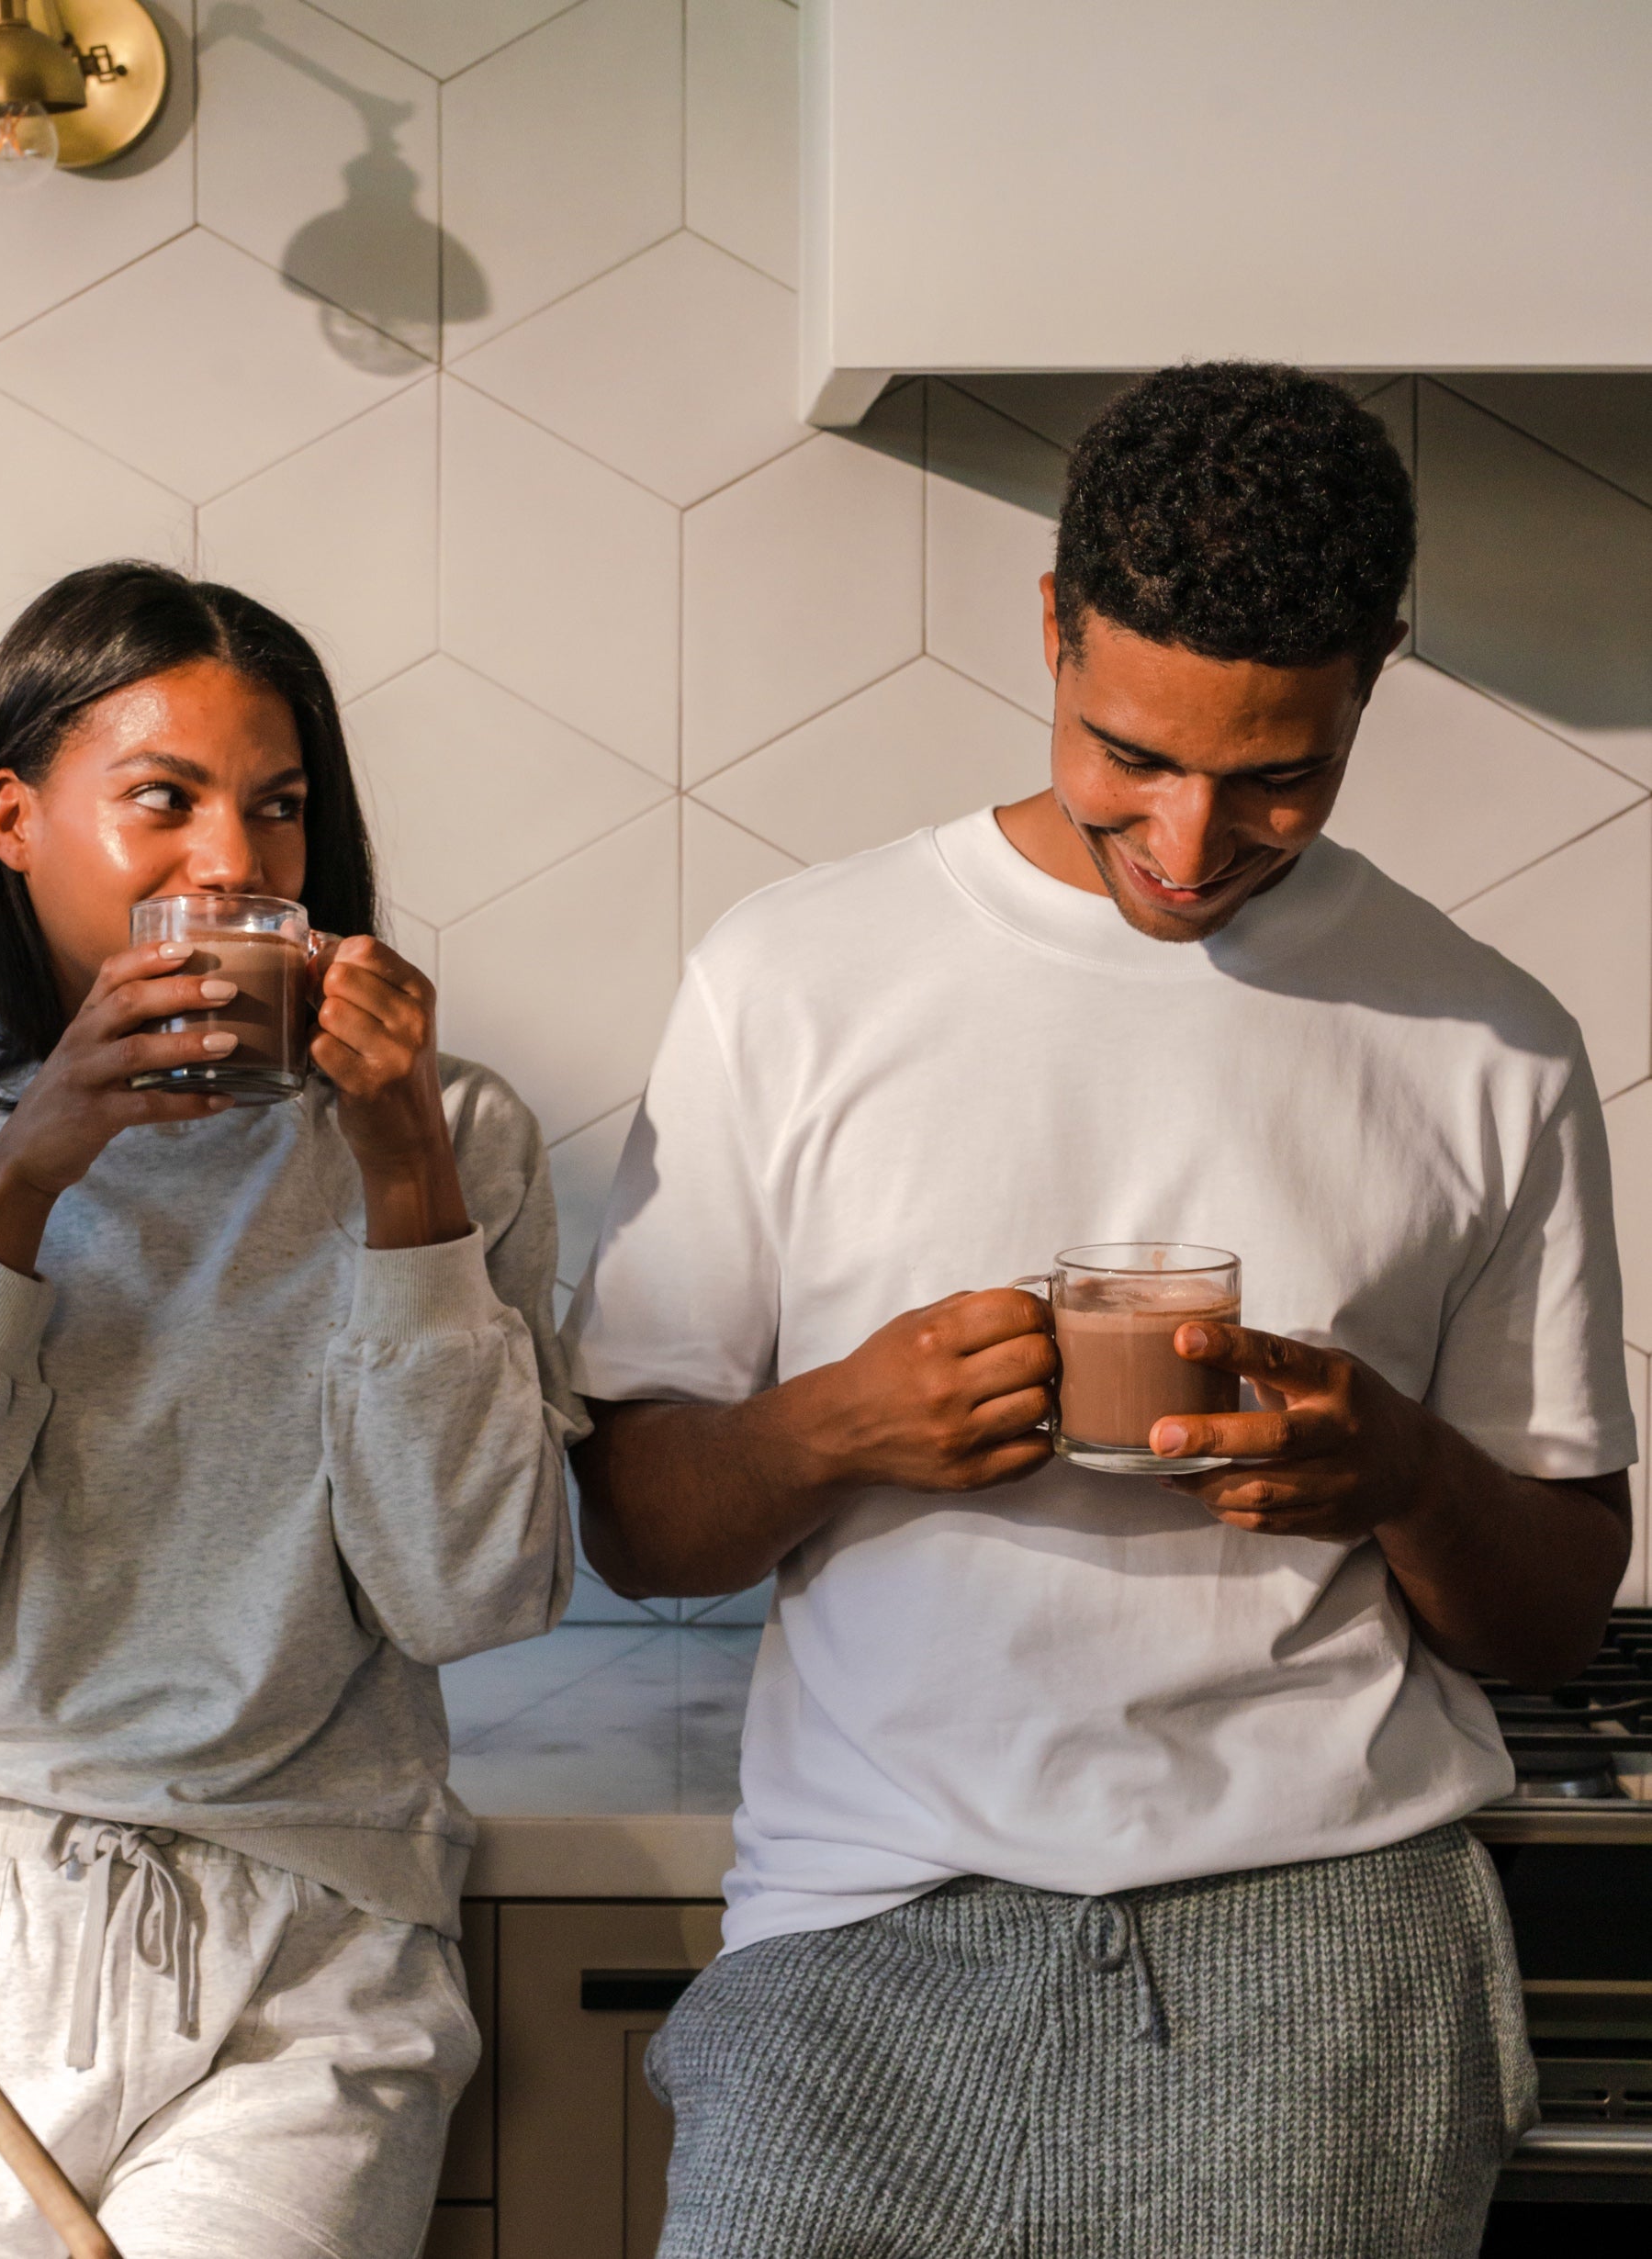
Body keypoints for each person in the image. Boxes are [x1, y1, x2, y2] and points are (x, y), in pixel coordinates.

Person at [568, 364, 1635, 2259]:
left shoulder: (1487, 1044)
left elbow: (1549, 1609)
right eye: (1127, 749)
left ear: (1374, 676)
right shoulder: (791, 980)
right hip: (862, 1936)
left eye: (1276, 775)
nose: (1188, 837)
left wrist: (1388, 1465)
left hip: (1325, 1937)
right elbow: (641, 1528)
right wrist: (839, 1426)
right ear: (1049, 629)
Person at [0, 562, 582, 2259]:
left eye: (278, 813)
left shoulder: (455, 1136)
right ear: (16, 821)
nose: (239, 870)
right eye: (164, 803)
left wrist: (400, 1169)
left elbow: (469, 1594)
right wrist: (23, 1183)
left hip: (318, 1944)